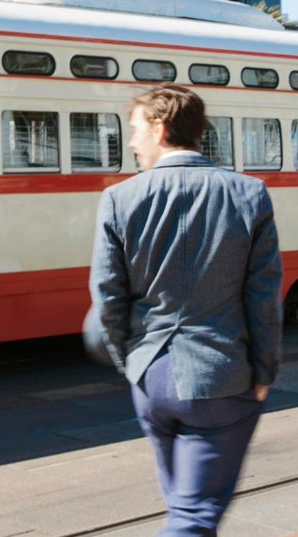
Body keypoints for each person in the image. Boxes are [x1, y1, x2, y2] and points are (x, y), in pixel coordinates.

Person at [87, 83, 282, 536]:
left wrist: (132, 365)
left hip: (152, 380)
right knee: (193, 517)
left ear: (159, 127)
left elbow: (107, 298)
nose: (132, 142)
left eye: (135, 130)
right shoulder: (248, 194)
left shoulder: (119, 198)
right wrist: (263, 374)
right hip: (221, 378)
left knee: (183, 508)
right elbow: (263, 300)